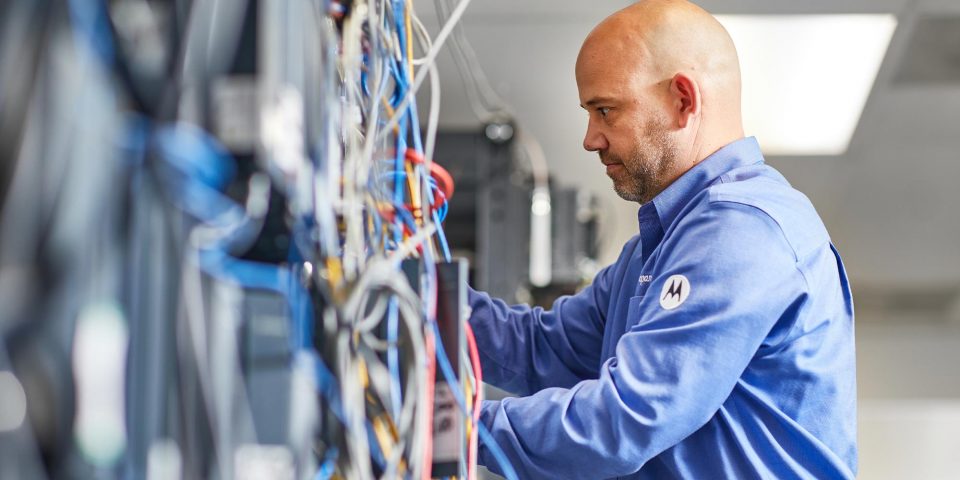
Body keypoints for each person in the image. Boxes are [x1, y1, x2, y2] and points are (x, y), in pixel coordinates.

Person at [466, 1, 857, 478]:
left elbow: (626, 421)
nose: (591, 139)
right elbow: (544, 350)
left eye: (606, 110)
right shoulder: (657, 248)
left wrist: (456, 428)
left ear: (683, 100)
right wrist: (424, 299)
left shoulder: (741, 231)